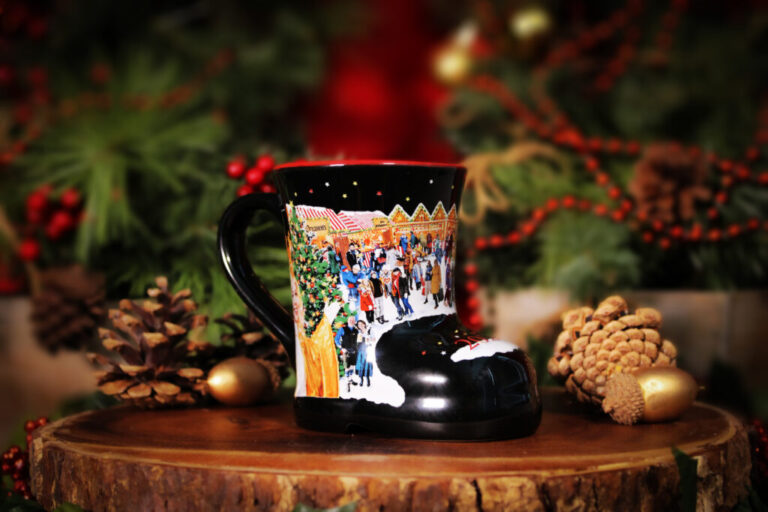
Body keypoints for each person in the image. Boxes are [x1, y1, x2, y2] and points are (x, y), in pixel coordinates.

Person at [334, 317, 358, 391]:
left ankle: (350, 380)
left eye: (353, 320)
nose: (351, 321)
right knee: (347, 367)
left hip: (354, 351)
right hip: (346, 352)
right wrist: (341, 348)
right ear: (348, 321)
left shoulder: (356, 330)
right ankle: (347, 383)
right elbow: (336, 339)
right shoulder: (342, 329)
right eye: (350, 320)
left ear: (354, 322)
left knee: (352, 367)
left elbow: (359, 339)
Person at [355, 320, 374, 387]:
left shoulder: (369, 330)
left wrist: (369, 338)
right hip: (360, 349)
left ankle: (368, 379)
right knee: (361, 364)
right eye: (359, 325)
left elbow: (374, 339)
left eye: (361, 324)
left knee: (368, 364)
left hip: (368, 349)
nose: (360, 325)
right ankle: (361, 379)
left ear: (364, 324)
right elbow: (358, 341)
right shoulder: (358, 332)